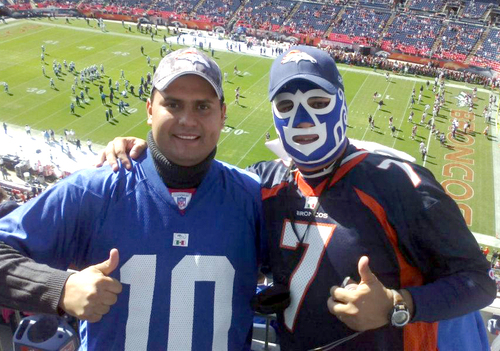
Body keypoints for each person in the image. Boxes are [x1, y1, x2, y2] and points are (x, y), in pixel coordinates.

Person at [101, 46, 496, 350]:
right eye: (286, 107)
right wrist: (147, 151)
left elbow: (479, 283)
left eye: (318, 103)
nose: (302, 119)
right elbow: (192, 187)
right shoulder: (266, 181)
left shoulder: (399, 183)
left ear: (341, 102)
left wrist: (398, 303)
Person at [0, 48, 265, 350]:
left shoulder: (253, 197)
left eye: (202, 107)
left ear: (223, 114)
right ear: (150, 110)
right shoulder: (95, 190)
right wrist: (59, 288)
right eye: (173, 104)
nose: (187, 120)